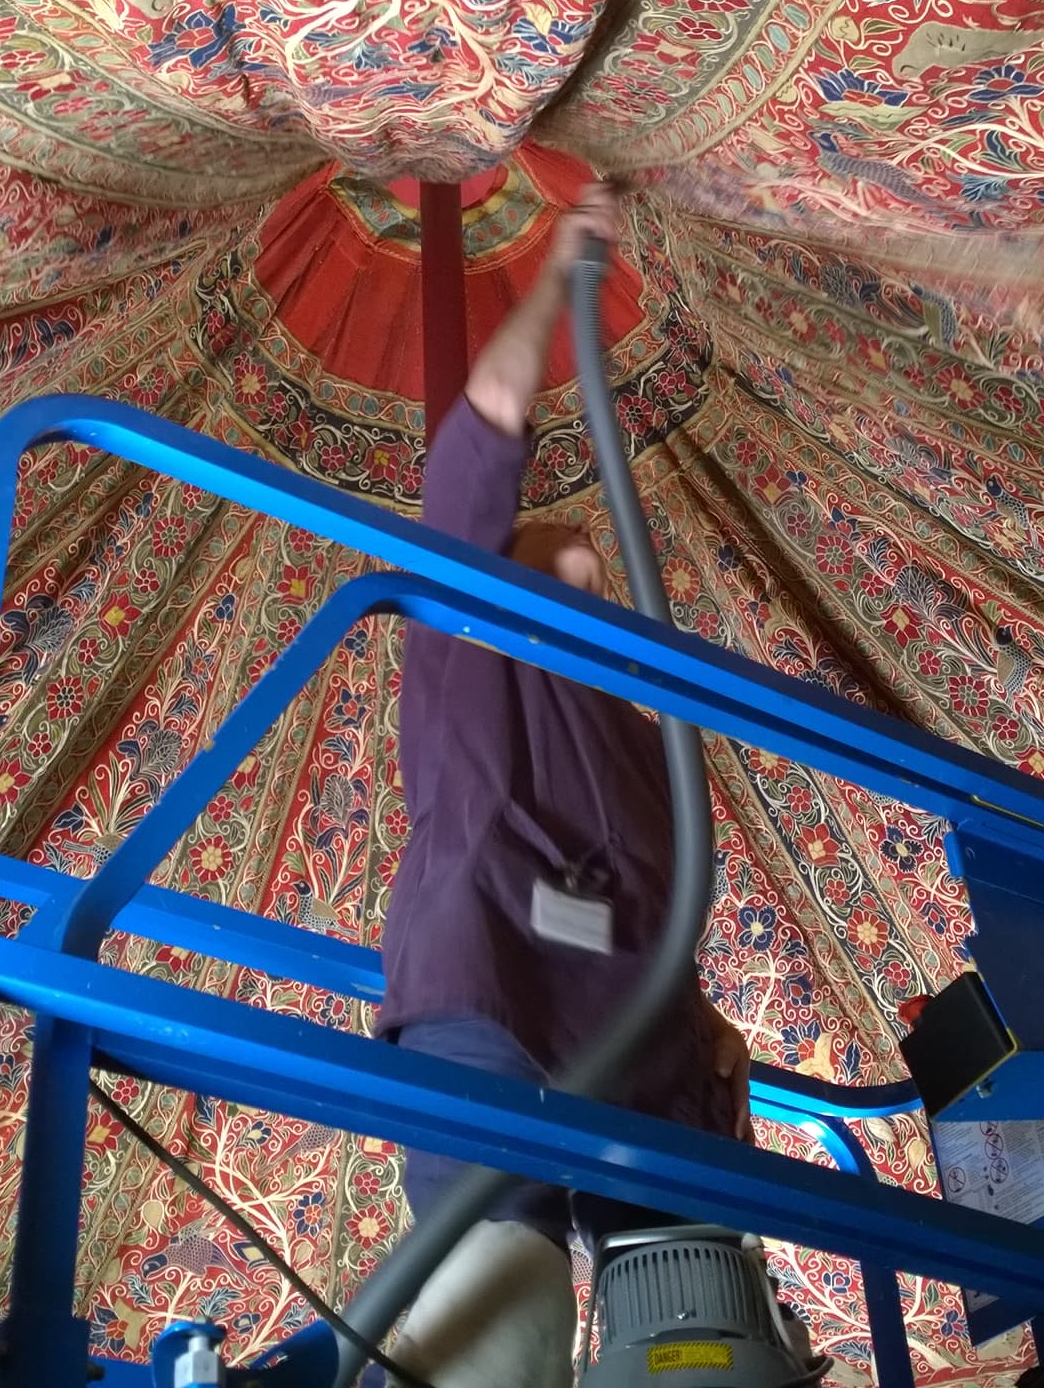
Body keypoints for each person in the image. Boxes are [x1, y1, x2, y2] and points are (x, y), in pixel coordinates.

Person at [375, 180, 752, 1388]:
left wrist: (706, 1028)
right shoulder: (467, 639)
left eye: (599, 564)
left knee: (705, 1339)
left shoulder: (648, 746)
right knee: (506, 1319)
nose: (589, 559)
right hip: (495, 993)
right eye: (556, 550)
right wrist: (558, 273)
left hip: (645, 1060)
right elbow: (487, 422)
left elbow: (659, 905)